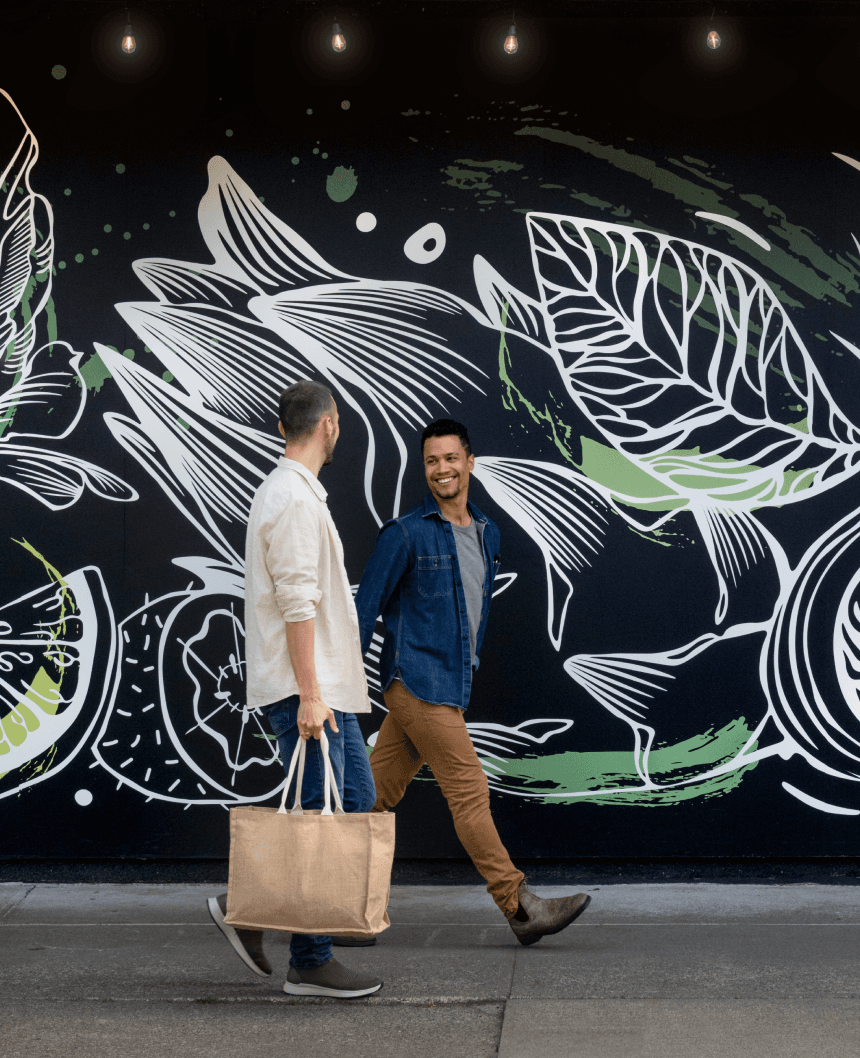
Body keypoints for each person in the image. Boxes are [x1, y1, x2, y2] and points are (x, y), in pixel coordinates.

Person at [355, 419, 591, 945]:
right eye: (432, 461)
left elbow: (472, 611)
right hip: (414, 681)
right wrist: (339, 691)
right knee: (469, 791)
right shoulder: (405, 534)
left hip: (449, 682)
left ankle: (286, 896)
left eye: (450, 458)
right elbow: (363, 610)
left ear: (470, 462)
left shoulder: (488, 533)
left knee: (369, 799)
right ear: (426, 469)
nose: (442, 469)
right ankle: (519, 905)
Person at [207, 380, 383, 998]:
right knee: (320, 816)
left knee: (354, 800)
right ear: (329, 424)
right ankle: (309, 961)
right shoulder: (292, 498)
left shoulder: (297, 493)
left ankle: (250, 908)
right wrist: (310, 694)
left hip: (329, 686)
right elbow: (297, 601)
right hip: (310, 690)